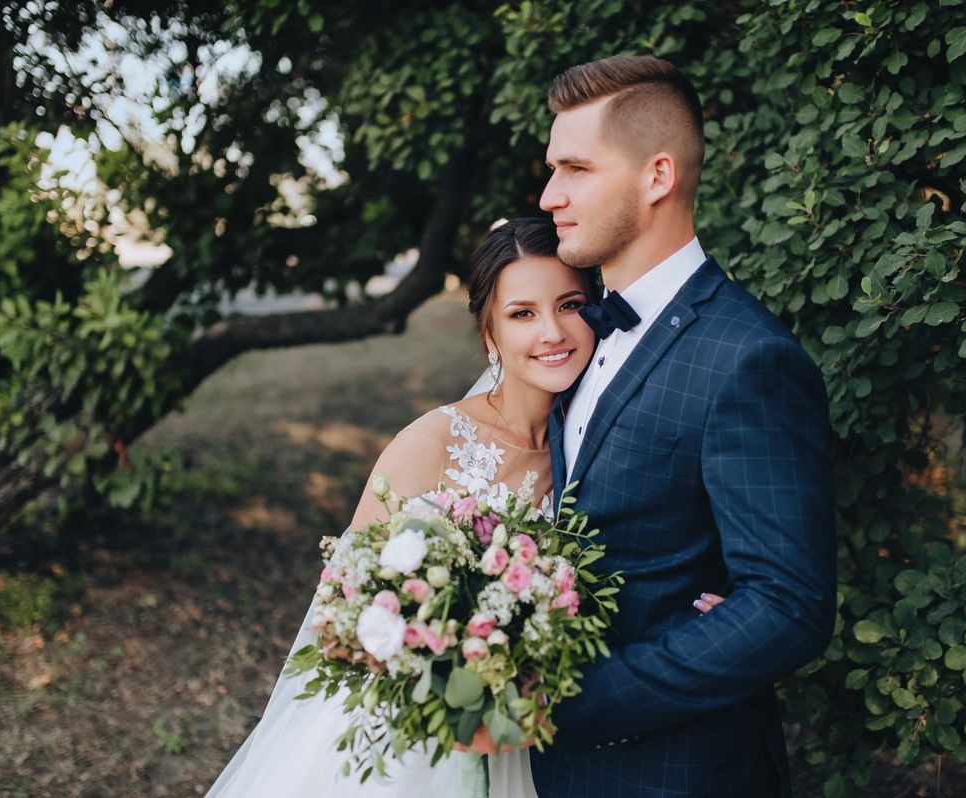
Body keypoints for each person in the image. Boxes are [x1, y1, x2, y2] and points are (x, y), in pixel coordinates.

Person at [205, 218, 723, 797]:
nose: (552, 331)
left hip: (532, 743)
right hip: (415, 744)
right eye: (522, 314)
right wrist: (447, 677)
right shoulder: (435, 441)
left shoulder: (589, 441)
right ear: (489, 333)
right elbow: (337, 615)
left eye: (570, 304)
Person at [528, 55, 836, 798]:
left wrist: (567, 707)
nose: (549, 196)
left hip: (674, 772)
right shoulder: (571, 336)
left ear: (656, 177)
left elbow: (788, 606)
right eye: (551, 169)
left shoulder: (747, 357)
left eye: (575, 169)